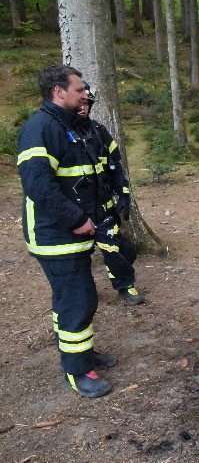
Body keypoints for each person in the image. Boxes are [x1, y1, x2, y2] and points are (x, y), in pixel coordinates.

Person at [16, 64, 115, 398]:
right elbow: (39, 186)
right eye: (78, 89)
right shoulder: (40, 129)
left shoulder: (68, 125)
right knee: (78, 299)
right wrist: (76, 219)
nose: (85, 93)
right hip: (55, 236)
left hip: (74, 234)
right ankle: (76, 370)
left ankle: (81, 352)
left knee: (73, 298)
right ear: (58, 91)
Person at [75, 82, 143, 305]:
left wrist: (123, 197)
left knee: (123, 251)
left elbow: (116, 168)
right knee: (77, 260)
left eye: (87, 103)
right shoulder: (60, 134)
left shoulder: (100, 132)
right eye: (80, 102)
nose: (82, 107)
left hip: (103, 209)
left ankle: (124, 286)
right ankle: (84, 293)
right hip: (75, 212)